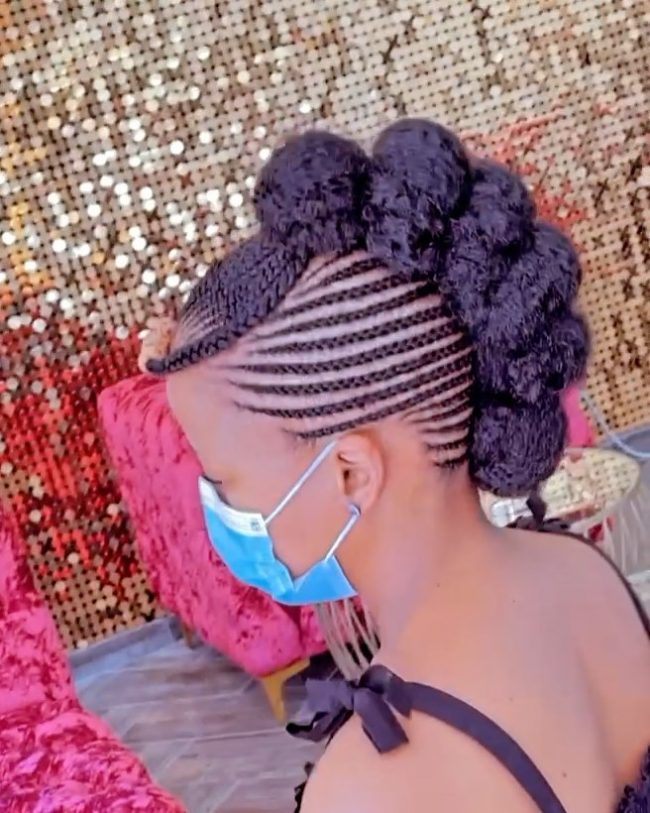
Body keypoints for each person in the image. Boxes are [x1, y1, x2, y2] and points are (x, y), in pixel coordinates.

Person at [146, 119, 649, 812]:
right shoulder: (583, 570)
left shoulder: (376, 786)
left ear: (352, 473)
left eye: (222, 477)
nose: (214, 505)